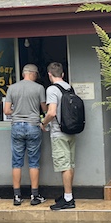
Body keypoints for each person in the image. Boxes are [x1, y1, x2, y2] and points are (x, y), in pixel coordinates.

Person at [3, 64, 47, 206]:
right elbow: (44, 108)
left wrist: (17, 112)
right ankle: (34, 195)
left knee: (17, 162)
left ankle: (17, 196)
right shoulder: (39, 88)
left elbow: (6, 110)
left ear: (23, 74)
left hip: (17, 126)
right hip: (33, 125)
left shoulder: (12, 88)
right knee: (33, 162)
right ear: (33, 73)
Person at [41, 62, 76, 210]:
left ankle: (68, 199)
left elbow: (51, 112)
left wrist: (43, 123)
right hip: (70, 130)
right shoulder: (69, 87)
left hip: (59, 132)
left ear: (49, 75)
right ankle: (68, 194)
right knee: (70, 164)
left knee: (64, 165)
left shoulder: (52, 89)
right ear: (62, 74)